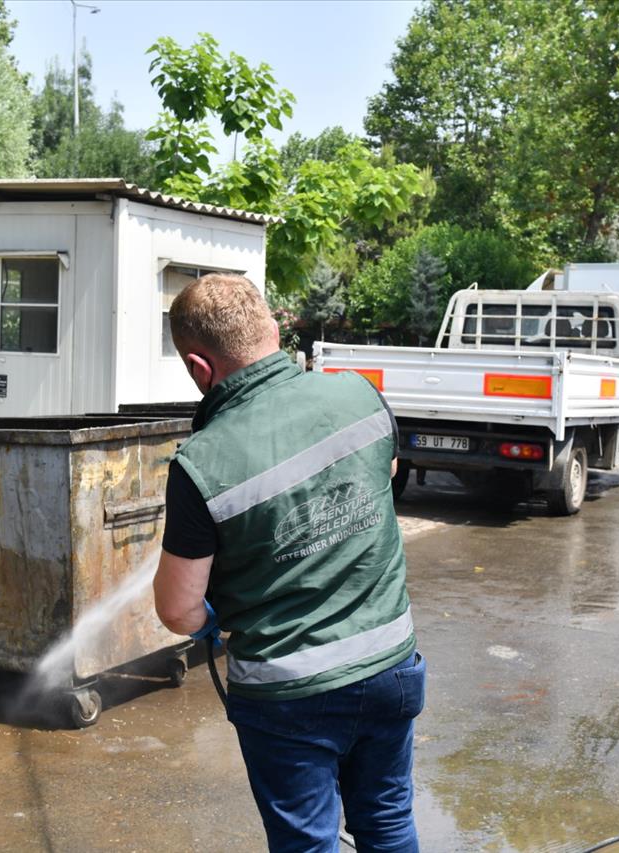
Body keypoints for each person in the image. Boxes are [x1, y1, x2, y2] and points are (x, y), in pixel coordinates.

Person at [153, 273, 424, 852]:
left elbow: (177, 609)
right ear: (274, 330)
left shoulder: (200, 463)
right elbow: (387, 476)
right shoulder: (359, 394)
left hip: (289, 694)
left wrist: (214, 625)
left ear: (200, 369)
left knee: (308, 843)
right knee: (388, 822)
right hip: (389, 666)